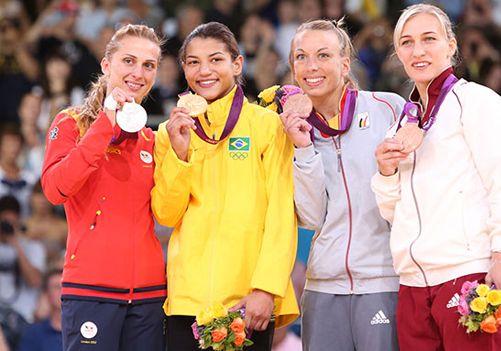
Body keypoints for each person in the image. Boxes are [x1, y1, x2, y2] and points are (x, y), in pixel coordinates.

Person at [371, 4, 501, 350]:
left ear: (451, 45)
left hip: (466, 275)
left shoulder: (477, 102)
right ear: (398, 52)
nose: (419, 51)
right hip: (413, 283)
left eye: (430, 39)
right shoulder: (402, 121)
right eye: (408, 43)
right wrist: (385, 172)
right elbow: (392, 212)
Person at [151, 21, 298, 351]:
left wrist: (266, 288)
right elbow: (166, 214)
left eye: (216, 59)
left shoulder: (267, 126)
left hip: (247, 298)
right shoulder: (169, 132)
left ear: (237, 63)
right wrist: (179, 154)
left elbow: (281, 213)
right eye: (193, 62)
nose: (204, 71)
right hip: (186, 302)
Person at [279, 19, 403, 351]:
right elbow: (312, 217)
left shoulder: (388, 108)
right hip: (322, 287)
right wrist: (303, 149)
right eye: (301, 57)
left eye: (323, 55)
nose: (311, 66)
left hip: (383, 281)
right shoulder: (291, 129)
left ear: (344, 64)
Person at [41, 24, 166, 351]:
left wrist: (181, 154)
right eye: (129, 60)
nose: (138, 72)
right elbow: (55, 189)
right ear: (106, 64)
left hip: (149, 294)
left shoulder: (152, 140)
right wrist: (104, 124)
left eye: (148, 65)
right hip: (90, 290)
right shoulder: (71, 123)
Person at [0, 195, 45, 323]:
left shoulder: (33, 247)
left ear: (20, 222)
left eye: (12, 224)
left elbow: (35, 281)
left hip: (23, 317)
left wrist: (16, 244)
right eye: (4, 223)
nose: (8, 228)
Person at [17, 269, 63, 351]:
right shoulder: (34, 333)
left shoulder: (83, 329)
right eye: (57, 287)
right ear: (46, 294)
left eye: (66, 286)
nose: (63, 291)